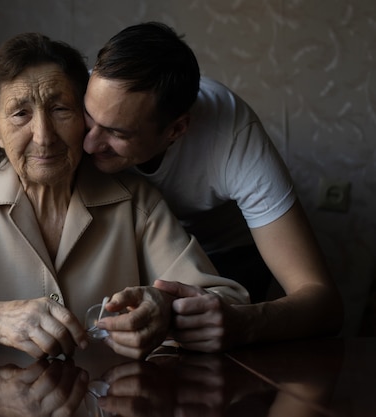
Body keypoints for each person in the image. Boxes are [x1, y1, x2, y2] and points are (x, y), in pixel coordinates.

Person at [0, 33, 249, 360]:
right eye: (20, 114)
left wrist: (165, 310)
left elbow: (227, 300)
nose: (44, 136)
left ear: (85, 116)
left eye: (60, 109)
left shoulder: (136, 203)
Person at [83, 22, 343, 352]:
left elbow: (324, 303)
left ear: (176, 129)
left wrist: (244, 322)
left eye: (117, 134)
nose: (89, 144)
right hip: (129, 248)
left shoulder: (233, 137)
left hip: (224, 258)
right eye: (88, 117)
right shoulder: (90, 91)